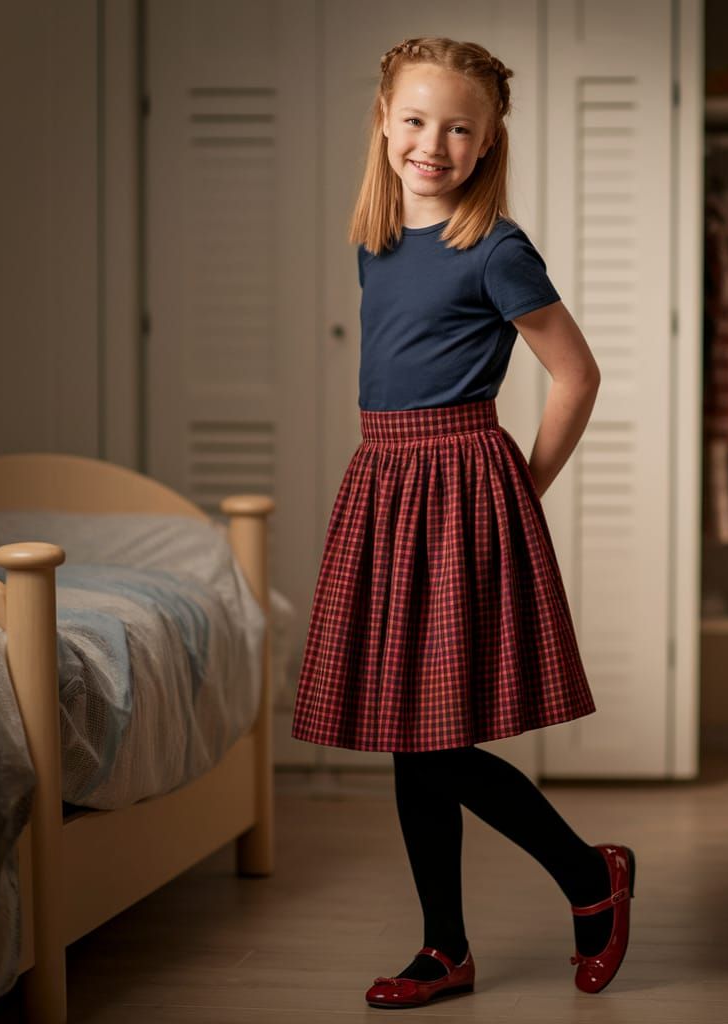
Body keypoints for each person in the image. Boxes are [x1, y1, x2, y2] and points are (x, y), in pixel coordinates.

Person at [291, 35, 636, 1010]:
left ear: (487, 145)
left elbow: (576, 373)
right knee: (411, 733)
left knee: (435, 738)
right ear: (382, 122)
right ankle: (448, 945)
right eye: (414, 120)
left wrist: (521, 484)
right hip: (384, 483)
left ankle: (586, 876)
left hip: (458, 490)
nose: (430, 143)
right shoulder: (373, 237)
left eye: (457, 129)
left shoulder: (495, 247)